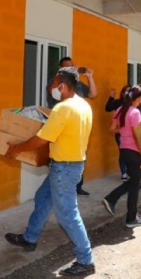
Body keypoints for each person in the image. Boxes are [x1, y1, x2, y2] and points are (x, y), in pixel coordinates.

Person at [5, 67, 95, 276]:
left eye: (55, 85)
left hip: (64, 168)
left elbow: (41, 138)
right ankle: (30, 238)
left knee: (68, 215)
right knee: (43, 198)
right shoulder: (84, 106)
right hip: (70, 165)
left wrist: (17, 148)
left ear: (62, 86)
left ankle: (86, 260)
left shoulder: (63, 109)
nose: (53, 89)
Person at [48, 56, 97, 196]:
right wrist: (62, 77)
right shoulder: (56, 82)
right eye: (66, 67)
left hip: (77, 127)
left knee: (79, 155)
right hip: (60, 126)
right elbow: (53, 93)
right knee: (61, 160)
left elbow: (93, 94)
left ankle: (77, 186)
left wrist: (90, 77)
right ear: (60, 69)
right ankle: (63, 187)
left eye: (72, 66)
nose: (70, 69)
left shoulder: (77, 84)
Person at [101, 85, 141, 228]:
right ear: (138, 98)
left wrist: (123, 131)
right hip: (135, 151)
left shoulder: (121, 109)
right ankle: (131, 217)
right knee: (135, 185)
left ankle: (113, 199)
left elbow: (112, 128)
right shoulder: (135, 113)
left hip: (124, 150)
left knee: (135, 181)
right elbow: (138, 135)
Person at [105, 84, 131, 181]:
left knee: (130, 152)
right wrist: (111, 97)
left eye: (129, 91)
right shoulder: (118, 103)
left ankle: (129, 171)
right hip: (119, 132)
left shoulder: (133, 104)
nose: (127, 93)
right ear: (123, 93)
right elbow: (107, 108)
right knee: (123, 152)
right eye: (126, 91)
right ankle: (124, 173)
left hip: (130, 133)